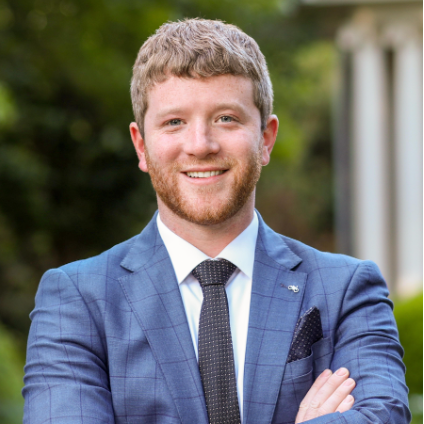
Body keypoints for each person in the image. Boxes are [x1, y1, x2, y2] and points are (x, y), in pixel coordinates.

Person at [23, 18, 410, 424]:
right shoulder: (77, 300)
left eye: (226, 118)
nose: (200, 145)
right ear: (141, 145)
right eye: (174, 122)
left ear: (265, 138)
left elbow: (379, 416)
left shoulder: (346, 290)